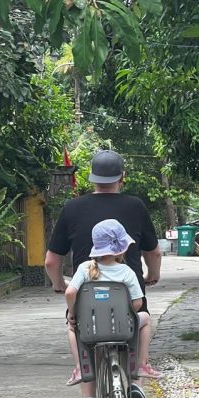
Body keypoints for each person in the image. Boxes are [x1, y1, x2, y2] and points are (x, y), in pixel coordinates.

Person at [44, 149, 162, 383]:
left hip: (87, 300)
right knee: (136, 328)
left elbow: (51, 260)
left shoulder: (72, 208)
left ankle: (87, 397)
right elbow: (154, 252)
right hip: (127, 296)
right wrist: (151, 275)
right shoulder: (136, 206)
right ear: (122, 176)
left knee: (82, 334)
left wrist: (59, 284)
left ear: (92, 178)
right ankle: (136, 384)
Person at [65, 219, 161, 398]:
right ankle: (142, 365)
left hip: (91, 329)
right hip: (122, 328)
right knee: (145, 319)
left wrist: (73, 314)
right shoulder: (126, 272)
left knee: (71, 328)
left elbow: (70, 292)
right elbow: (138, 303)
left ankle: (81, 369)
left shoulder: (84, 268)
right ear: (121, 248)